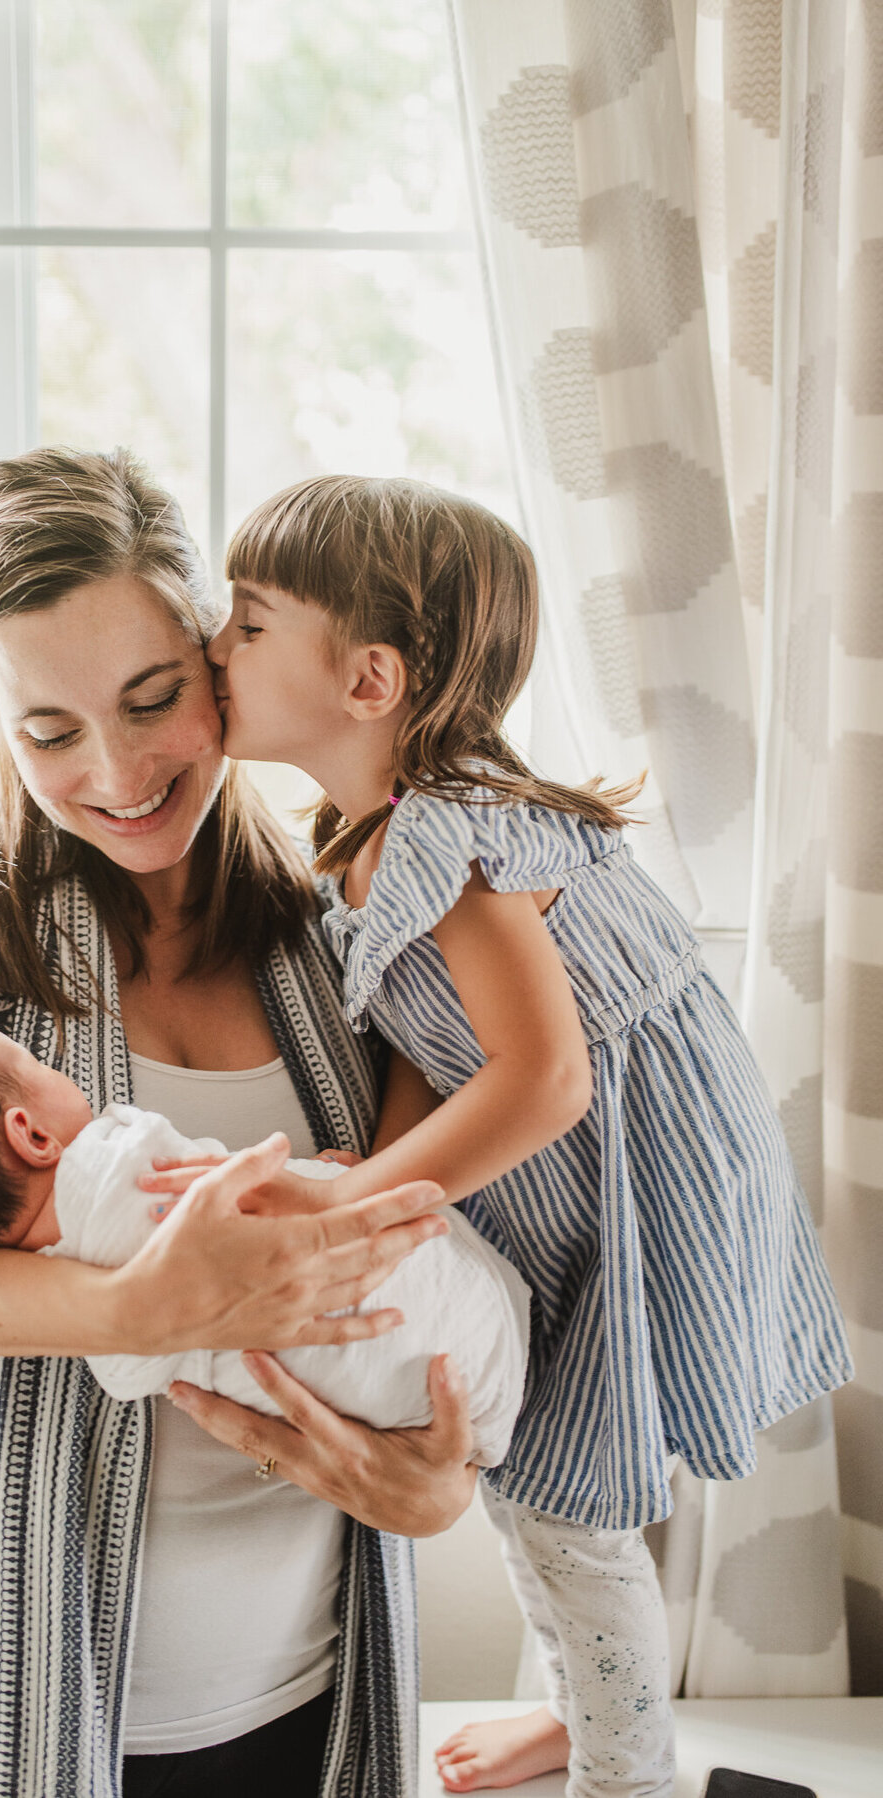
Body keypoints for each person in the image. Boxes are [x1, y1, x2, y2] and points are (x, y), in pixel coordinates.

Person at [0, 448, 480, 1798]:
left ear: (219, 655)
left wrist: (436, 1488)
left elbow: (432, 1242)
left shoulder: (345, 907)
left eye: (154, 697)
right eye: (49, 731)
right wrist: (134, 1314)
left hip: (308, 1680)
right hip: (1, 1698)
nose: (116, 767)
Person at [173, 472, 854, 1798]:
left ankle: (627, 1771)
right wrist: (373, 1180)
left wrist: (356, 1204)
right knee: (541, 1457)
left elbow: (544, 1079)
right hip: (579, 1187)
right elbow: (443, 1049)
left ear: (368, 680)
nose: (215, 646)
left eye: (249, 623)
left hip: (634, 1188)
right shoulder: (377, 833)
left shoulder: (465, 839)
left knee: (559, 1492)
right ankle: (579, 1708)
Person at [0, 1022, 530, 1460]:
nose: (59, 1072)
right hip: (455, 1298)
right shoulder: (114, 1154)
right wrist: (323, 1177)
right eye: (39, 1069)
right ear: (31, 1134)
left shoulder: (56, 1299)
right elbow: (239, 1180)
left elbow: (135, 1376)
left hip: (406, 1405)